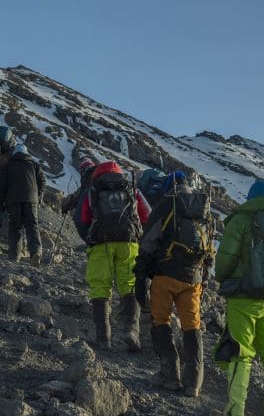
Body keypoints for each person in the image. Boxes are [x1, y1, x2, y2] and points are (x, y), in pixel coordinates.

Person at [210, 179, 264, 416]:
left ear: (250, 197)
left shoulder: (242, 219)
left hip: (243, 297)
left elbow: (225, 259)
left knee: (241, 352)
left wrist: (224, 279)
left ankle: (234, 414)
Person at [134, 171, 214, 396]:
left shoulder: (167, 204)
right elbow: (209, 252)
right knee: (192, 326)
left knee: (161, 321)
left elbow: (149, 240)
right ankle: (194, 383)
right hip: (193, 280)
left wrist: (141, 275)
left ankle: (170, 376)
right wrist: (203, 279)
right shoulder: (204, 210)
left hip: (165, 275)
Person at [79, 161, 150, 351]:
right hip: (128, 242)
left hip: (101, 243)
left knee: (100, 287)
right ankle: (132, 332)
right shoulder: (130, 188)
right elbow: (147, 215)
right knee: (129, 284)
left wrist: (90, 236)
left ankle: (104, 338)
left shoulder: (93, 189)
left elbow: (83, 218)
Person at [0, 144, 46, 265]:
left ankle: (14, 256)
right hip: (31, 200)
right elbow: (42, 181)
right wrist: (39, 197)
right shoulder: (34, 165)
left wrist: (1, 202)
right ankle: (35, 253)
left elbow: (1, 185)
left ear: (15, 153)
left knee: (15, 228)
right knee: (32, 226)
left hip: (13, 201)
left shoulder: (7, 166)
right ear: (26, 153)